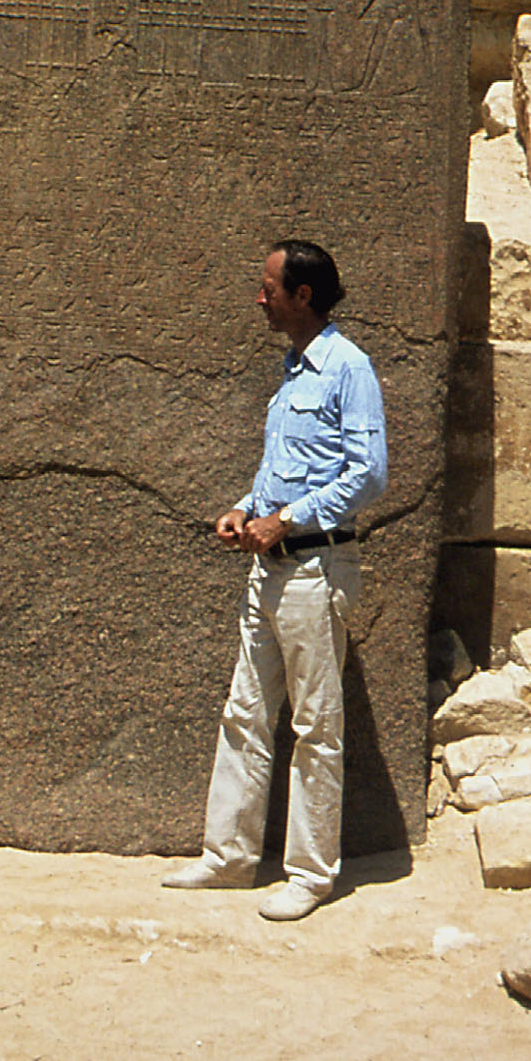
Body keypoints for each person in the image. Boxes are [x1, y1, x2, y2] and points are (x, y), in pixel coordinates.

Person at [162, 240, 387, 921]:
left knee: (316, 724)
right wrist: (248, 510)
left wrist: (287, 519)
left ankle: (311, 875)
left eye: (269, 287)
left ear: (303, 296)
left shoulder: (349, 368)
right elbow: (284, 467)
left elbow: (369, 474)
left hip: (317, 567)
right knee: (245, 711)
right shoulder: (292, 370)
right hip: (273, 567)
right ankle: (227, 857)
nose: (259, 297)